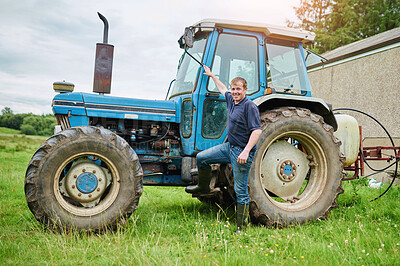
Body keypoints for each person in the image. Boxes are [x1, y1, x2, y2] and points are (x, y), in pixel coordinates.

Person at [185, 65, 262, 234]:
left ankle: (242, 227)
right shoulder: (232, 100)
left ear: (245, 90)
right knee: (202, 158)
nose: (235, 92)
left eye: (238, 89)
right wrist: (212, 75)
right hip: (229, 147)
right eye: (233, 89)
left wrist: (246, 151)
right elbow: (222, 88)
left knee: (240, 190)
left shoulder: (249, 106)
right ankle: (203, 188)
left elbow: (257, 131)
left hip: (241, 152)